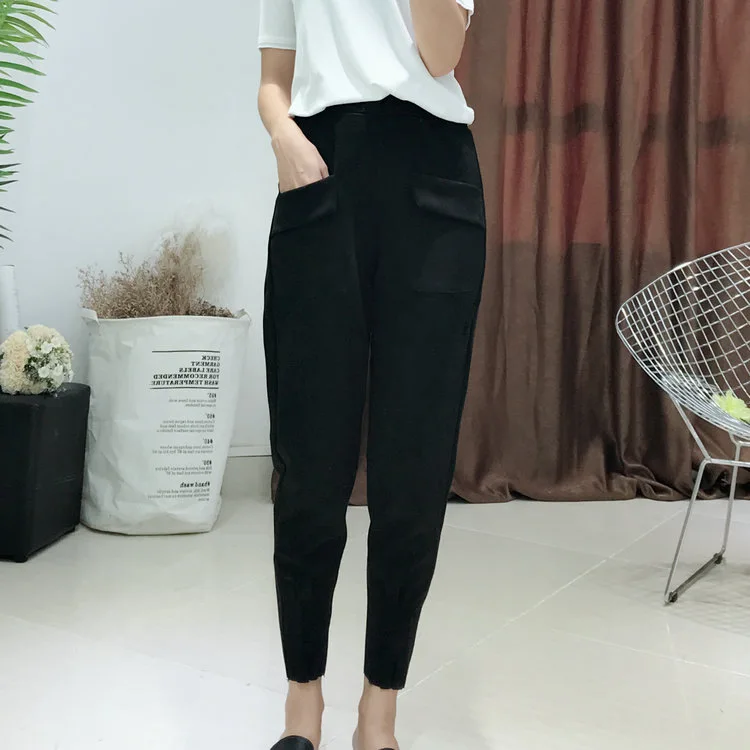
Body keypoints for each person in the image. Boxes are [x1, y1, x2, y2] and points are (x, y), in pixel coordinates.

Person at [258, 1, 484, 748]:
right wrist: (285, 136)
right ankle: (302, 704)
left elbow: (441, 55)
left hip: (434, 180)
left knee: (413, 462)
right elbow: (273, 79)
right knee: (309, 458)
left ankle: (378, 711)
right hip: (320, 172)